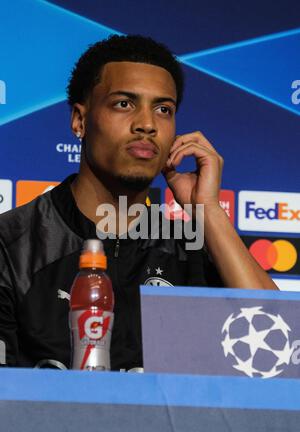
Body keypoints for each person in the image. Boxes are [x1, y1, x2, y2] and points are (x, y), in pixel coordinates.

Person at [0, 35, 277, 371]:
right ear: (80, 120)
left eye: (163, 109)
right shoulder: (11, 244)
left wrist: (208, 212)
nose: (146, 124)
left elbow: (279, 356)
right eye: (124, 104)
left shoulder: (193, 252)